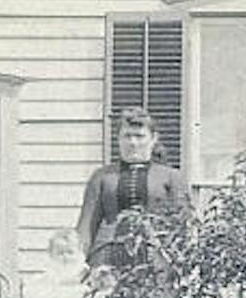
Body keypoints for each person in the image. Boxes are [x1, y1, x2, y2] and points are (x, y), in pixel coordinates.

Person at [76, 107, 188, 268]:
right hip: (107, 259)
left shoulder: (171, 177)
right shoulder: (102, 177)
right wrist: (77, 264)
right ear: (118, 139)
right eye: (127, 136)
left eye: (139, 136)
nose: (133, 143)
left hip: (155, 260)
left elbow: (183, 226)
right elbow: (85, 229)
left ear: (153, 139)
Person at [22, 229, 91, 298]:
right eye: (60, 253)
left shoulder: (83, 271)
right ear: (51, 254)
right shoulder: (52, 272)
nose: (65, 256)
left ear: (79, 251)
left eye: (70, 252)